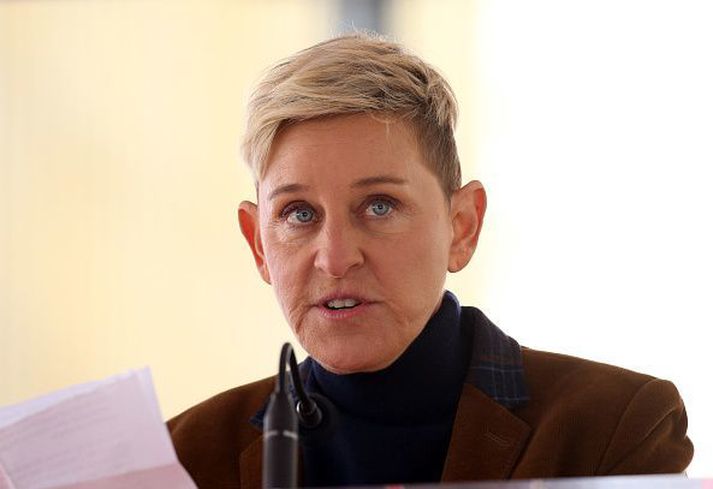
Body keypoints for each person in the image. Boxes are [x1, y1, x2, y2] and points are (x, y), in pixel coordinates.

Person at [167, 33, 693, 488]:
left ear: (462, 227)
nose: (335, 257)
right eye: (298, 213)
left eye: (379, 205)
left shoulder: (613, 428)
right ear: (259, 245)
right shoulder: (183, 459)